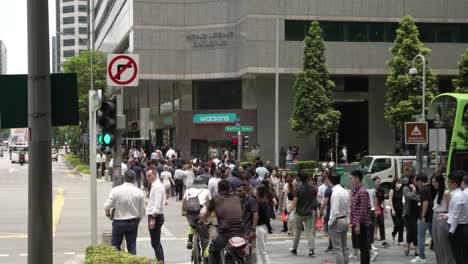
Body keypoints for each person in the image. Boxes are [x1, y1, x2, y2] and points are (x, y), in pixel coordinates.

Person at [200, 180, 244, 264]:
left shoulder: (216, 199)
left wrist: (201, 221)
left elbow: (208, 213)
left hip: (224, 234)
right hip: (240, 233)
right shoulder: (237, 198)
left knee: (212, 250)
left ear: (219, 189)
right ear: (230, 189)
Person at [103, 170, 146, 255]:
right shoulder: (139, 192)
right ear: (134, 179)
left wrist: (108, 214)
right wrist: (137, 221)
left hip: (118, 221)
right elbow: (142, 211)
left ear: (123, 178)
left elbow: (107, 206)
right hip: (133, 222)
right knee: (132, 247)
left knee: (115, 246)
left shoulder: (116, 190)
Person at [286, 171, 318, 257]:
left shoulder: (298, 189)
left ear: (299, 179)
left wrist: (288, 212)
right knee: (309, 232)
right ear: (308, 178)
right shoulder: (313, 188)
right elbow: (314, 200)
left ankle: (294, 249)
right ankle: (311, 250)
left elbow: (294, 202)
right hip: (309, 213)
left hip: (299, 213)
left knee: (297, 231)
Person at [182, 176, 211, 251]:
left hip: (189, 213)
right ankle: (205, 254)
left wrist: (183, 211)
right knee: (205, 236)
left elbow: (184, 202)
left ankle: (190, 239)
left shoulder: (188, 190)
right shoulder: (206, 191)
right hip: (201, 214)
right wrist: (210, 213)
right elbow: (209, 204)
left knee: (192, 225)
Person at [431, 173, 455, 264]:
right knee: (437, 244)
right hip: (435, 217)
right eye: (433, 182)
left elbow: (450, 210)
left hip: (443, 218)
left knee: (444, 244)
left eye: (436, 181)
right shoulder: (436, 192)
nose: (434, 184)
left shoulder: (446, 193)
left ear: (441, 181)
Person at [349, 170, 371, 264]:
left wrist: (358, 224)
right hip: (357, 222)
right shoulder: (356, 190)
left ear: (357, 179)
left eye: (352, 178)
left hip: (360, 223)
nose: (351, 180)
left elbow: (363, 210)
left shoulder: (362, 192)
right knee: (362, 246)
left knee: (364, 247)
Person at [328, 172, 350, 264]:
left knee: (338, 249)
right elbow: (348, 207)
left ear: (330, 180)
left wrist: (330, 222)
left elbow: (335, 210)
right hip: (345, 219)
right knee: (344, 247)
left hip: (337, 220)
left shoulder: (335, 192)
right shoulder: (344, 191)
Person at [411, 173, 433, 263]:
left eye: (417, 181)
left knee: (420, 237)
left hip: (424, 217)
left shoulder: (423, 190)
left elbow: (425, 203)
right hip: (432, 215)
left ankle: (421, 257)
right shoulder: (431, 188)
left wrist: (423, 215)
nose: (416, 183)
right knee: (434, 237)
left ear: (420, 181)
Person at [447, 171, 468, 264]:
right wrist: (446, 216)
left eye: (448, 182)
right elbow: (454, 213)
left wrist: (451, 230)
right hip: (460, 227)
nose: (447, 184)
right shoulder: (459, 194)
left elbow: (456, 216)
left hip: (458, 228)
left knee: (458, 254)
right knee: (460, 254)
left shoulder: (457, 196)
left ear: (454, 183)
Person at [146, 169, 166, 263]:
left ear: (154, 175)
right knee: (155, 242)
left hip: (155, 216)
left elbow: (157, 203)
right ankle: (160, 260)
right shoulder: (155, 185)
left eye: (149, 175)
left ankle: (160, 261)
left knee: (155, 242)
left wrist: (153, 218)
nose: (148, 178)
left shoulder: (157, 186)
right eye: (147, 176)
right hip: (155, 215)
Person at [237, 180, 258, 262]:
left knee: (252, 250)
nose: (238, 193)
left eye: (240, 191)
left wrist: (253, 229)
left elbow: (255, 214)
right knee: (243, 250)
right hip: (243, 229)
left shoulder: (251, 200)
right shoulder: (241, 200)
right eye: (237, 191)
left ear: (245, 190)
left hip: (250, 229)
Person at [402, 174, 419, 256]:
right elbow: (410, 197)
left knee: (415, 231)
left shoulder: (421, 187)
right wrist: (414, 189)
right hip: (408, 213)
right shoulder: (406, 188)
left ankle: (408, 244)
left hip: (418, 212)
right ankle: (413, 247)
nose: (418, 181)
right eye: (416, 179)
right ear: (412, 179)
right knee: (412, 230)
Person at [255, 184, 271, 264]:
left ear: (258, 192)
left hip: (259, 228)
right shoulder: (265, 202)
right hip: (264, 227)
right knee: (261, 249)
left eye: (256, 190)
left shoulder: (258, 204)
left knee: (261, 250)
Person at [373, 177, 390, 248]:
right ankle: (371, 242)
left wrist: (385, 209)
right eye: (377, 182)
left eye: (379, 182)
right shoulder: (370, 190)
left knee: (381, 224)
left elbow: (383, 200)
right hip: (372, 209)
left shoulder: (381, 190)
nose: (378, 183)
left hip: (379, 209)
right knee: (372, 225)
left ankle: (383, 241)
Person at [389, 179, 404, 246]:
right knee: (397, 224)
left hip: (401, 209)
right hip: (394, 210)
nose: (399, 184)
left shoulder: (402, 191)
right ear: (394, 183)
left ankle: (400, 240)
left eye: (400, 183)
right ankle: (393, 234)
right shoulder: (392, 190)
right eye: (398, 183)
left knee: (401, 225)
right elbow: (390, 200)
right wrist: (392, 209)